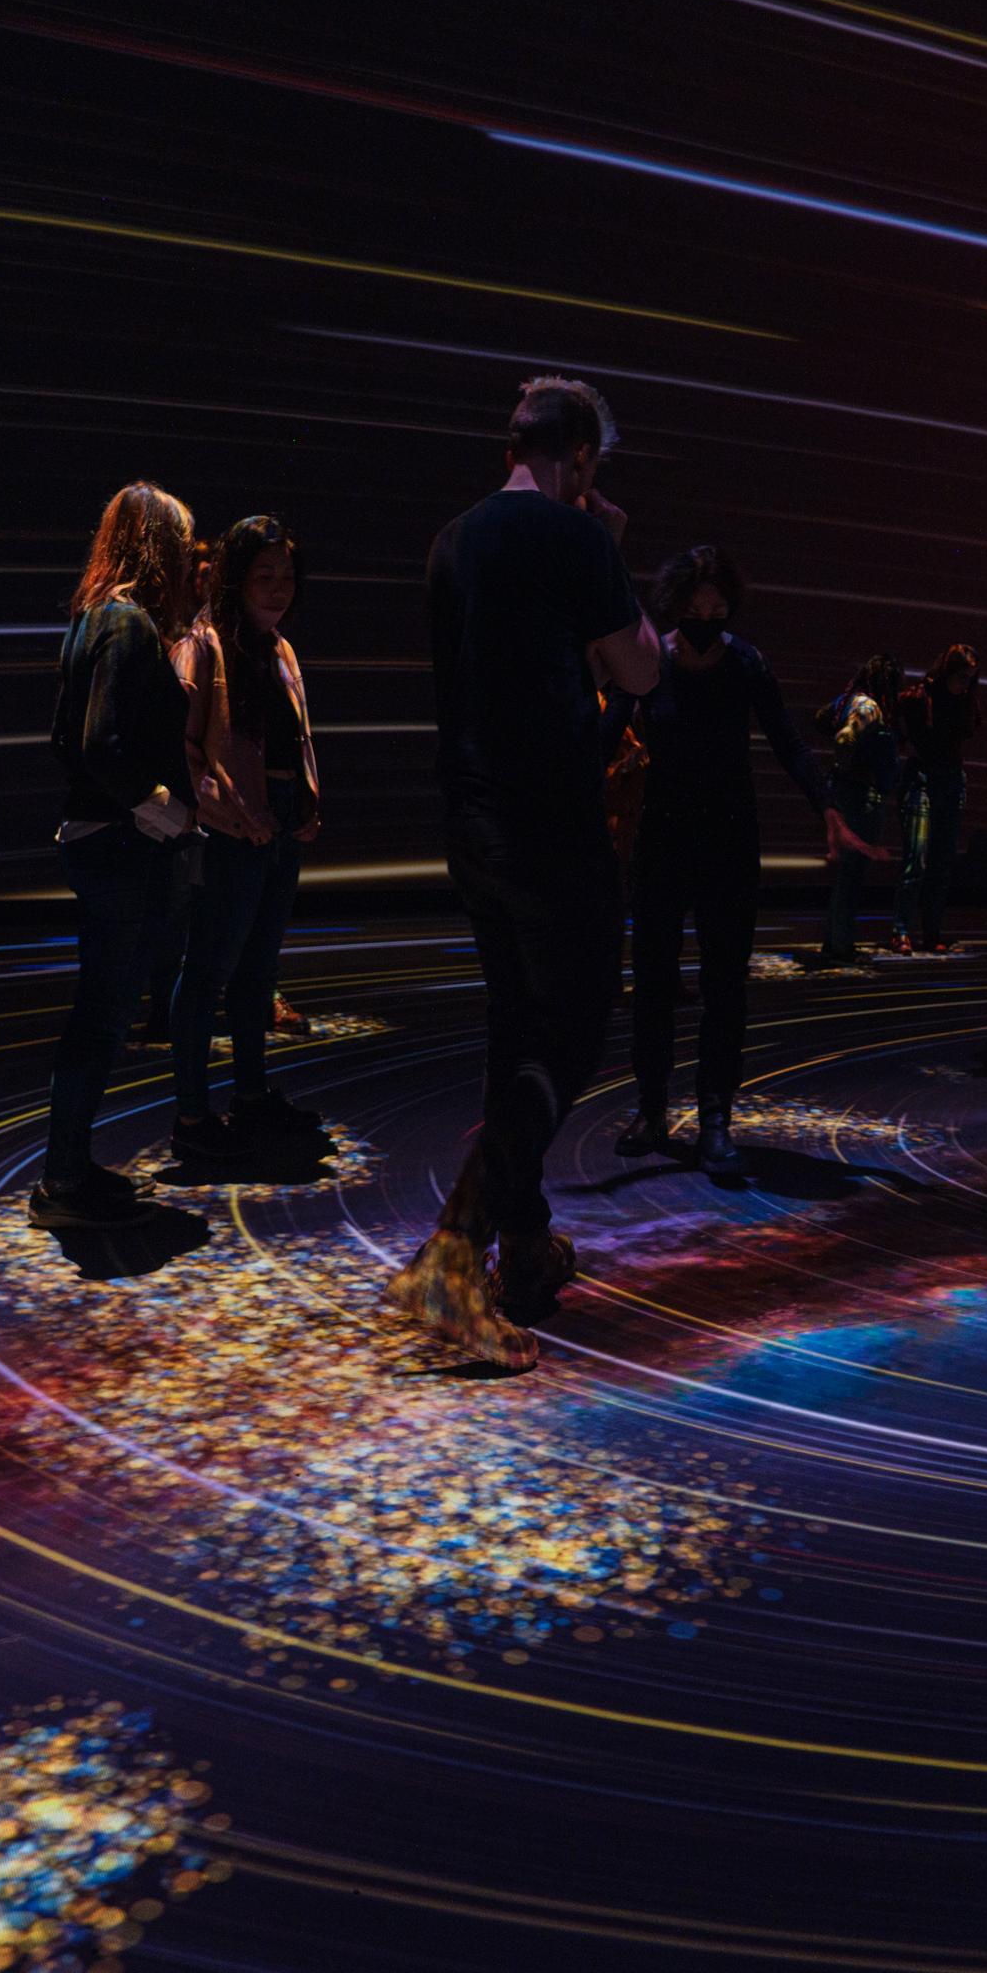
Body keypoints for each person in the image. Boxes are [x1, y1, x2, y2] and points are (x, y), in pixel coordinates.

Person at [386, 376, 659, 1369]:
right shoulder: (575, 535)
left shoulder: (451, 541)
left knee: (517, 1034)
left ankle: (525, 1245)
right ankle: (454, 1257)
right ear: (579, 458)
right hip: (551, 822)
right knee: (573, 1033)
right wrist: (608, 550)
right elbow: (640, 668)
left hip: (472, 824)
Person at [607, 545, 878, 1174]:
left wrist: (827, 807)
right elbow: (604, 731)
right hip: (663, 837)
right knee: (653, 981)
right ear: (674, 606)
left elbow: (787, 740)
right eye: (694, 611)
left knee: (725, 985)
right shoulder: (649, 663)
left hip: (728, 840)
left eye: (718, 611)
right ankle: (651, 1109)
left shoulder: (747, 663)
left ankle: (715, 1119)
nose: (706, 622)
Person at [32, 484, 198, 1230]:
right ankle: (64, 1183)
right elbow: (99, 746)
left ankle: (69, 1170)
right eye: (182, 545)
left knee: (100, 1014)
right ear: (158, 547)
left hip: (97, 842)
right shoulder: (128, 624)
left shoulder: (91, 619)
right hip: (122, 848)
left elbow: (63, 740)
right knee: (102, 1017)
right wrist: (164, 808)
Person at [169, 514, 321, 1160]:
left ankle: (251, 1098)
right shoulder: (202, 647)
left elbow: (296, 740)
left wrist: (305, 802)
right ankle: (192, 1117)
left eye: (287, 576)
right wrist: (228, 812)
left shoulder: (279, 649)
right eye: (264, 575)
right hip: (233, 831)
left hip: (277, 823)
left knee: (260, 969)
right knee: (208, 969)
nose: (279, 588)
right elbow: (182, 753)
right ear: (236, 579)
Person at [888, 643, 979, 955]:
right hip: (923, 778)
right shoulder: (919, 697)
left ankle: (930, 931)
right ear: (948, 672)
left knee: (941, 862)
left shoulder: (965, 700)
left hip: (949, 780)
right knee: (917, 858)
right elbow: (896, 714)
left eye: (970, 678)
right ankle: (901, 930)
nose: (965, 684)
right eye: (962, 677)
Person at [818, 654, 900, 963]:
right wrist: (850, 765)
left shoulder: (847, 700)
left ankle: (834, 940)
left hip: (845, 791)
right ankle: (840, 944)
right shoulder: (868, 706)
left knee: (846, 875)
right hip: (860, 794)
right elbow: (845, 737)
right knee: (852, 876)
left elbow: (821, 719)